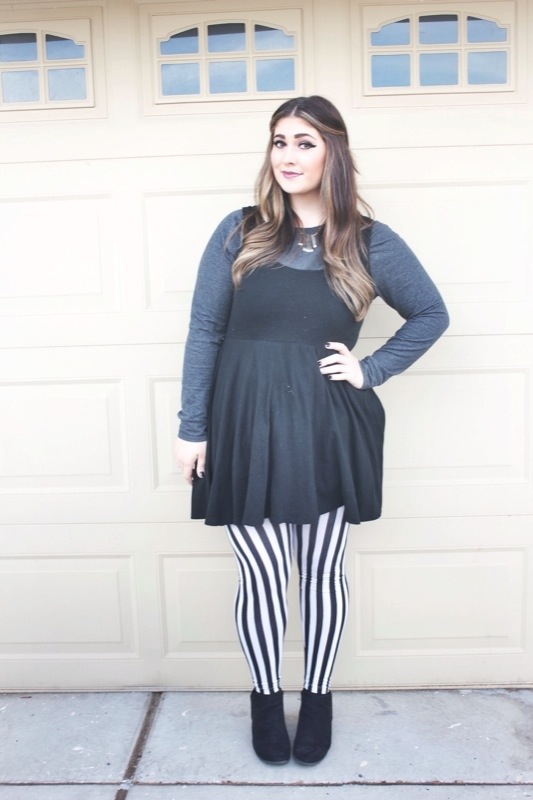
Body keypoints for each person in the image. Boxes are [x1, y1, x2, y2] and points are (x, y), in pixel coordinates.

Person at [175, 95, 449, 767]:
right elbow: (205, 329)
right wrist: (192, 427)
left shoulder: (369, 241)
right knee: (263, 573)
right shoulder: (239, 231)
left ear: (333, 153)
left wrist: (370, 369)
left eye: (305, 142)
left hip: (326, 423)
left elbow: (430, 314)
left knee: (321, 570)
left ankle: (318, 699)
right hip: (241, 420)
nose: (289, 156)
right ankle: (266, 700)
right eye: (279, 141)